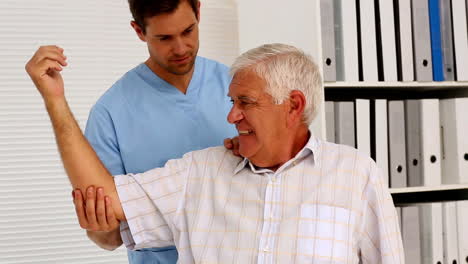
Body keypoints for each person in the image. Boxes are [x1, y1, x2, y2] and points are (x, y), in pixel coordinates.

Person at [26, 43, 404, 263]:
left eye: (246, 102)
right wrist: (55, 100)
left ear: (293, 106)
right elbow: (105, 200)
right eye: (231, 101)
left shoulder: (356, 174)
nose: (231, 116)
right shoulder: (200, 173)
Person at [39, 0, 237, 263]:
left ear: (199, 11)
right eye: (164, 38)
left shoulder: (237, 87)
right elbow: (108, 238)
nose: (180, 48)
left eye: (188, 31)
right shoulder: (110, 112)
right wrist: (101, 227)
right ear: (139, 31)